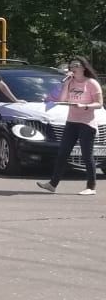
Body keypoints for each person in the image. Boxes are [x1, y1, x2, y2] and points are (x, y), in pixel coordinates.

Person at [39, 56, 103, 196]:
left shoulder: (91, 83)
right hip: (72, 122)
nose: (73, 68)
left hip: (87, 123)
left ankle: (91, 187)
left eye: (76, 65)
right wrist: (66, 83)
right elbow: (62, 100)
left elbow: (99, 103)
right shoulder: (70, 82)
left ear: (83, 67)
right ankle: (52, 184)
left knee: (87, 155)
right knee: (63, 153)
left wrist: (85, 106)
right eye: (71, 66)